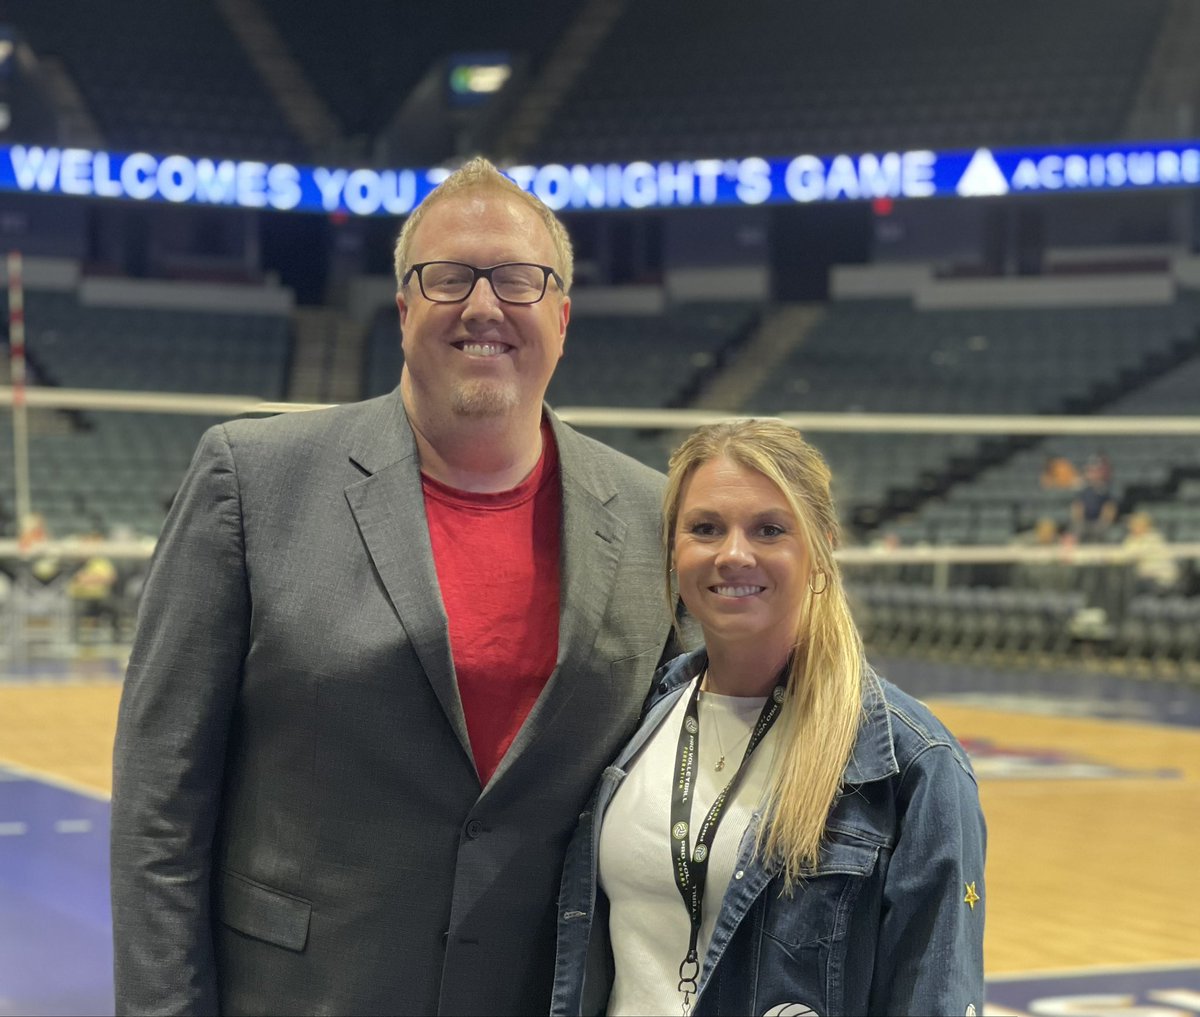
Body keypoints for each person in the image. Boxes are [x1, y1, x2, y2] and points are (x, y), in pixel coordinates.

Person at [110, 157, 682, 1016]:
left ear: (562, 318)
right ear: (406, 305)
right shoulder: (252, 479)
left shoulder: (652, 515)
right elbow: (159, 803)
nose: (483, 305)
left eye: (518, 281)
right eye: (449, 277)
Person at [553, 419, 986, 1017]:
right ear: (673, 550)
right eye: (705, 528)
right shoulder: (634, 716)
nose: (733, 554)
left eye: (769, 530)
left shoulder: (912, 768)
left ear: (821, 551)